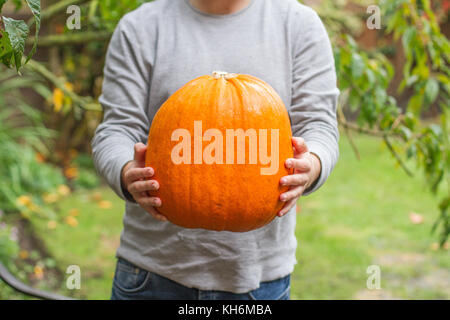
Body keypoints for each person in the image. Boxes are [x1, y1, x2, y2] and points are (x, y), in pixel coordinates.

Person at [92, 0, 339, 300]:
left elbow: (320, 126)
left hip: (258, 279)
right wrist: (126, 172)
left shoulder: (300, 25)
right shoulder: (140, 27)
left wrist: (311, 164)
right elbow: (116, 128)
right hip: (151, 273)